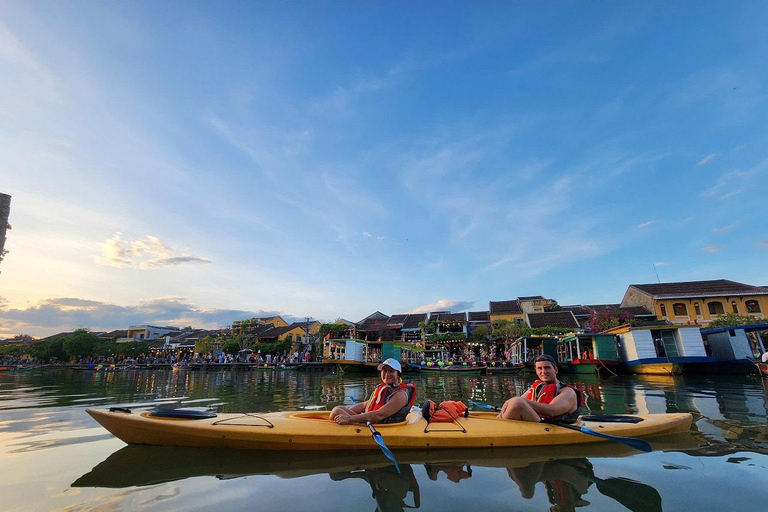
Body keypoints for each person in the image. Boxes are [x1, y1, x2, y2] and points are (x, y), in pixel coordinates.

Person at [497, 355, 582, 424]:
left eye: (547, 368)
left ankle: (500, 429)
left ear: (555, 369)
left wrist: (516, 401)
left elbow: (552, 410)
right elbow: (521, 400)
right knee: (515, 402)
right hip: (538, 422)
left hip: (551, 426)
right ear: (536, 371)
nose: (543, 371)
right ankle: (501, 424)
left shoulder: (568, 392)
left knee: (517, 402)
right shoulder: (537, 387)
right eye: (539, 368)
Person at [330, 358, 416, 425]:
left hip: (380, 426)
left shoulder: (400, 395)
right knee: (339, 409)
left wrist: (349, 419)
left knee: (336, 411)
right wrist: (347, 414)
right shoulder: (386, 389)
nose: (386, 374)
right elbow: (365, 404)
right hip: (371, 422)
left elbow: (379, 415)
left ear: (398, 375)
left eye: (391, 371)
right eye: (384, 371)